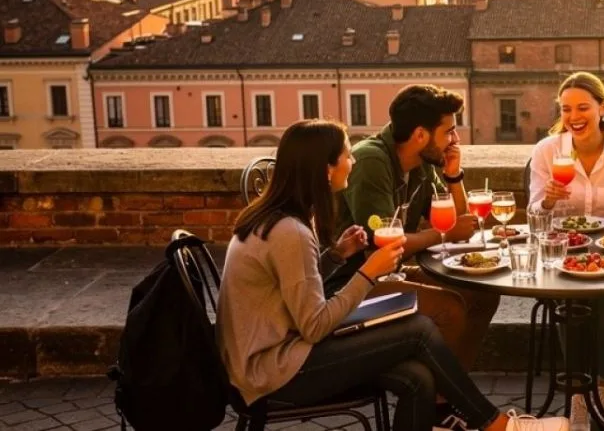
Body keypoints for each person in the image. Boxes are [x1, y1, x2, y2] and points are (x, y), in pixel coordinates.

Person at [216, 119, 568, 431]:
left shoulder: (278, 216)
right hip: (272, 372)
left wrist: (337, 256)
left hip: (276, 353)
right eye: (347, 155)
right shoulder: (289, 231)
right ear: (325, 168)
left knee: (416, 376)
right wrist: (368, 273)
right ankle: (496, 425)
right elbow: (315, 325)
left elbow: (294, 290)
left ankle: (472, 420)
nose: (352, 162)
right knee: (417, 330)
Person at [329, 84, 500, 426]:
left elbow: (458, 223)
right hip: (351, 284)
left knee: (482, 293)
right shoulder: (371, 162)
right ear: (421, 135)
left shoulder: (421, 164)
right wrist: (443, 233)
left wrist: (453, 176)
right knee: (449, 308)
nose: (455, 139)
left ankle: (445, 401)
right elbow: (385, 245)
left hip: (391, 273)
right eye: (449, 131)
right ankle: (436, 409)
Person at [528, 72, 604, 431]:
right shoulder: (548, 151)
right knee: (571, 302)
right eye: (566, 109)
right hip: (563, 254)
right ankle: (577, 396)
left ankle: (602, 387)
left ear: (602, 108)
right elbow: (534, 217)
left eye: (583, 107)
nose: (574, 116)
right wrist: (548, 200)